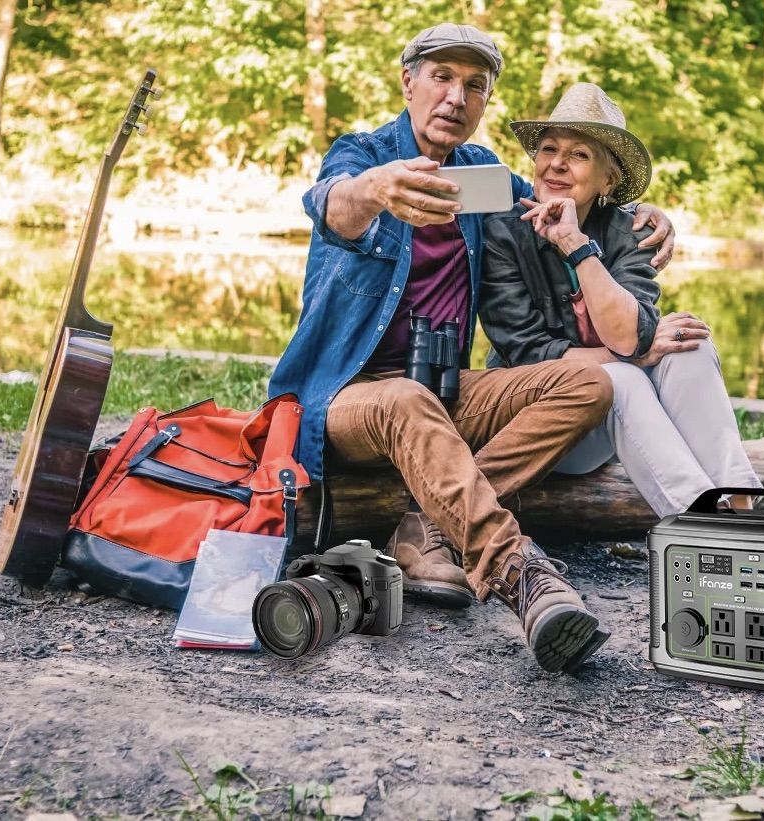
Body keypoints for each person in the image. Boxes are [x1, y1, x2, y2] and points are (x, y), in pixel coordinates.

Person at [267, 25, 678, 674]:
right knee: (404, 399)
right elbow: (331, 206)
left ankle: (426, 526)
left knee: (590, 385)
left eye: (474, 85)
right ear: (408, 82)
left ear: (485, 101)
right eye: (441, 77)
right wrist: (376, 190)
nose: (456, 96)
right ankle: (523, 578)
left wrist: (645, 215)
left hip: (444, 390)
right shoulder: (363, 157)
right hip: (342, 399)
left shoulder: (481, 177)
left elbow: (561, 195)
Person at [479, 83, 761, 519]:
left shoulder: (629, 231)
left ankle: (745, 502)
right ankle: (703, 520)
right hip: (542, 422)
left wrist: (576, 245)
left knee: (691, 344)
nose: (556, 163)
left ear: (608, 180)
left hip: (609, 430)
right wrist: (629, 357)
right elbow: (530, 354)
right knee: (621, 378)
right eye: (549, 149)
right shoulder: (503, 232)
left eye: (579, 155)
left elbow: (630, 336)